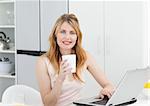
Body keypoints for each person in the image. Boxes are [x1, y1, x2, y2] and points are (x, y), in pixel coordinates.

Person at [36, 13, 115, 106]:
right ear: (55, 35)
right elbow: (48, 104)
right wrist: (60, 79)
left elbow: (109, 85)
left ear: (77, 37)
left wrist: (106, 90)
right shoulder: (43, 62)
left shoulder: (84, 56)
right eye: (63, 32)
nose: (67, 37)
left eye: (72, 32)